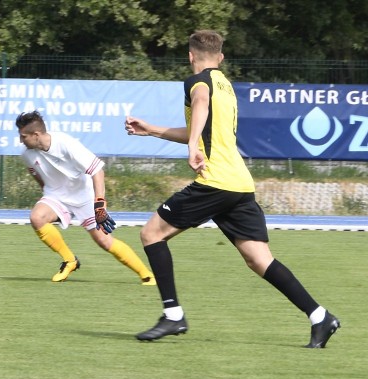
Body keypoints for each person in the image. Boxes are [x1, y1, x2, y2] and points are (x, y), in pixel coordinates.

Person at [124, 30, 340, 348]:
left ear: (190, 56)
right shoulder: (226, 85)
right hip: (239, 183)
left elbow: (199, 104)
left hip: (215, 182)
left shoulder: (196, 81)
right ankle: (320, 317)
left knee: (151, 234)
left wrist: (194, 145)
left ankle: (172, 316)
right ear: (221, 57)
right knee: (259, 259)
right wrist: (153, 130)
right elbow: (204, 121)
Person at [16, 110, 156, 285]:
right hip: (56, 196)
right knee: (37, 217)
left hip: (84, 198)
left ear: (36, 134)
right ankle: (70, 261)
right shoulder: (26, 154)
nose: (21, 140)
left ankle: (147, 275)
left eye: (23, 136)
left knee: (104, 241)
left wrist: (99, 205)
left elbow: (97, 171)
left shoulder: (66, 143)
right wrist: (50, 198)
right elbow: (38, 177)